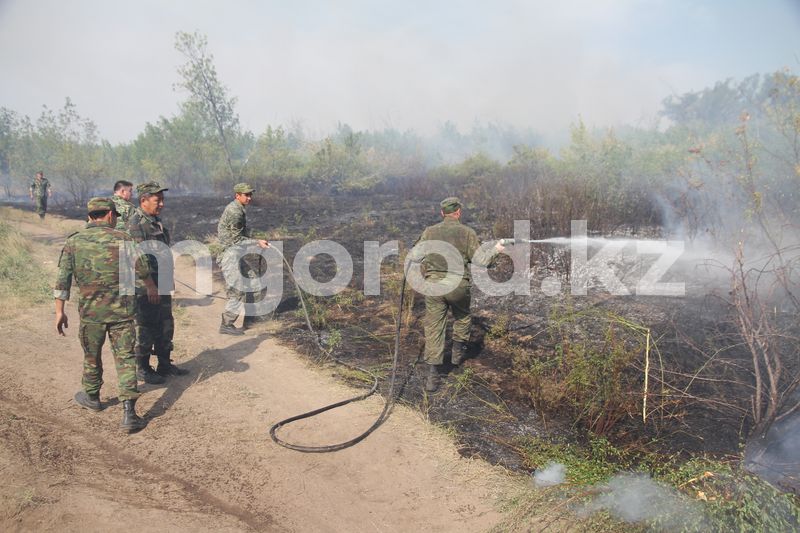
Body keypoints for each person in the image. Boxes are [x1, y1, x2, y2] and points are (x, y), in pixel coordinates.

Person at [54, 197, 154, 432]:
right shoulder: (125, 240)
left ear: (90, 216)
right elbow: (143, 270)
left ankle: (92, 397)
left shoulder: (74, 242)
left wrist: (59, 312)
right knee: (126, 359)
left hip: (91, 315)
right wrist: (151, 287)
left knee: (92, 355)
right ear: (110, 215)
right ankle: (129, 414)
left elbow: (63, 281)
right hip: (122, 313)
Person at [411, 197, 504, 392]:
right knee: (462, 317)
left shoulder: (429, 231)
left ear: (442, 213)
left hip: (434, 287)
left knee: (434, 327)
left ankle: (433, 377)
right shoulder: (467, 232)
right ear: (458, 212)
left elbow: (415, 255)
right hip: (457, 285)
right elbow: (481, 261)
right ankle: (456, 354)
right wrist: (496, 250)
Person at [126, 181, 188, 384]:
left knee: (165, 324)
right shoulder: (136, 224)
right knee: (145, 327)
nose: (161, 203)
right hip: (145, 287)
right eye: (157, 200)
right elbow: (136, 258)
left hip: (160, 283)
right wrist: (150, 285)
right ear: (144, 200)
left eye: (162, 200)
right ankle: (142, 368)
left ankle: (164, 363)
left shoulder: (154, 221)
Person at [217, 182, 270, 335]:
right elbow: (236, 240)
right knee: (237, 289)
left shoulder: (239, 209)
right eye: (246, 195)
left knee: (254, 283)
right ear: (237, 195)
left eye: (250, 194)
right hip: (229, 255)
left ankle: (251, 319)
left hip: (235, 254)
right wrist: (256, 242)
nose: (249, 198)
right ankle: (227, 324)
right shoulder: (235, 211)